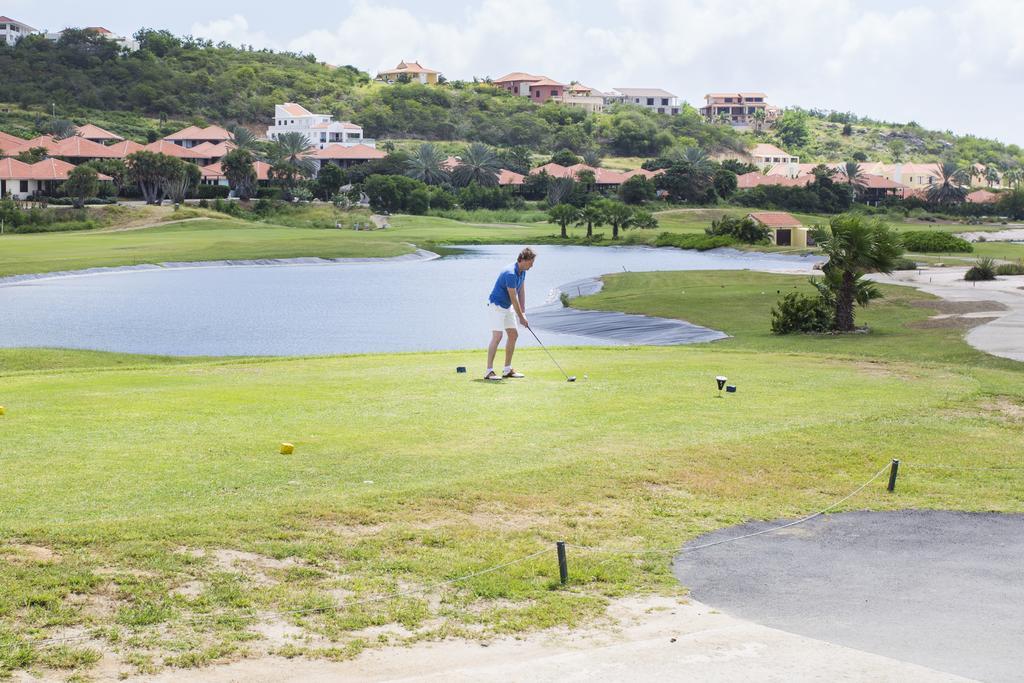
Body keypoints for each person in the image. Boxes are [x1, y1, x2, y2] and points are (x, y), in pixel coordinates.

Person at [484, 248, 536, 380]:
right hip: (496, 306)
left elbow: (521, 292)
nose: (532, 265)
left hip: (507, 307)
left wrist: (523, 312)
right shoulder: (511, 273)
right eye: (531, 262)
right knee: (497, 336)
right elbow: (514, 298)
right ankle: (488, 371)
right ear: (523, 260)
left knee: (513, 334)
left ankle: (507, 370)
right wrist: (521, 317)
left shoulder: (522, 271)